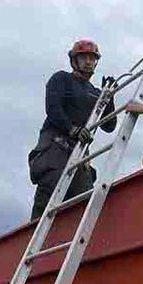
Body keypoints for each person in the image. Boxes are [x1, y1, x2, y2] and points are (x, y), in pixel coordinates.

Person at [28, 39, 117, 219]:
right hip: (55, 147)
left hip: (79, 154)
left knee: (83, 205)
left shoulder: (95, 93)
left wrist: (109, 98)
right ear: (74, 60)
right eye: (83, 57)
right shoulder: (62, 79)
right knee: (49, 196)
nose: (88, 62)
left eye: (92, 58)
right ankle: (32, 237)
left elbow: (109, 126)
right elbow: (53, 109)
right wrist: (72, 129)